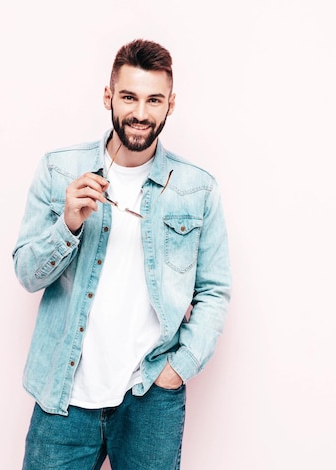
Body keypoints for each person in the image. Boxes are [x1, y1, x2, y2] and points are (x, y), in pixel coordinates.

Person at [12, 39, 232, 469]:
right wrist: (68, 224)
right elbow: (25, 272)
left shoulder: (197, 188)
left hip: (150, 399)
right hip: (64, 397)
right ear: (108, 95)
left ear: (171, 105)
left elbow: (214, 292)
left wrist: (178, 369)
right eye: (129, 96)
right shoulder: (59, 171)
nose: (140, 113)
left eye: (154, 100)